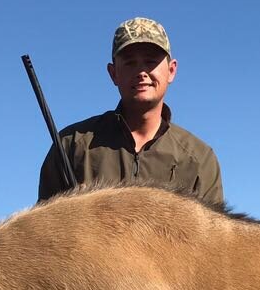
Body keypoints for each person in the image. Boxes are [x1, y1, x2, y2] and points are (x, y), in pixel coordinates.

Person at [37, 17, 223, 206]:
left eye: (151, 62)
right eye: (130, 63)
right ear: (113, 73)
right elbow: (43, 229)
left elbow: (213, 234)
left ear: (171, 70)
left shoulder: (199, 158)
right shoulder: (72, 144)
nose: (141, 72)